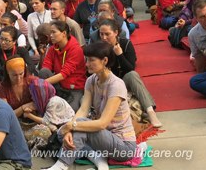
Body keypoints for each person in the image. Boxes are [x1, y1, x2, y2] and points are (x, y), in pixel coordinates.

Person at [43, 42, 137, 170]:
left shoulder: (116, 85)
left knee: (76, 126)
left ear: (105, 60)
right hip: (102, 139)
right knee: (62, 133)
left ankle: (61, 165)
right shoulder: (91, 80)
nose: (87, 64)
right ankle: (98, 159)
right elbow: (83, 109)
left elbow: (102, 123)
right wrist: (69, 129)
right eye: (86, 59)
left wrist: (72, 125)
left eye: (91, 60)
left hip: (124, 146)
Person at [98, 19, 162, 128]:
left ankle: (150, 111)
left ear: (116, 32)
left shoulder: (125, 44)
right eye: (101, 34)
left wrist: (119, 55)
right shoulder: (99, 48)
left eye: (107, 34)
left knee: (132, 75)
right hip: (108, 84)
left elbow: (130, 68)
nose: (104, 38)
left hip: (124, 81)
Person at [39, 20, 86, 111]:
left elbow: (64, 74)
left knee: (70, 111)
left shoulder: (75, 49)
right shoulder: (53, 48)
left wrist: (41, 84)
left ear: (64, 33)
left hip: (74, 88)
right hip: (59, 85)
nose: (51, 35)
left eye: (53, 32)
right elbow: (46, 67)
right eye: (50, 33)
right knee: (43, 72)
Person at [188, 0, 206, 97]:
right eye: (202, 16)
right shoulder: (193, 34)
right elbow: (200, 60)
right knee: (195, 81)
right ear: (196, 18)